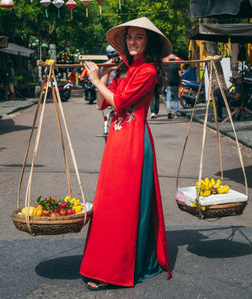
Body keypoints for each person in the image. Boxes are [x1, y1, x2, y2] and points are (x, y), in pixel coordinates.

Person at [80, 17, 172, 290]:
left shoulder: (148, 72)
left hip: (134, 142)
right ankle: (104, 263)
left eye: (139, 38)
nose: (133, 42)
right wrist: (105, 73)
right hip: (116, 141)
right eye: (130, 37)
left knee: (125, 206)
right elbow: (101, 105)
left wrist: (96, 79)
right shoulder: (125, 71)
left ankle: (118, 269)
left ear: (148, 43)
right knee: (108, 204)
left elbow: (119, 102)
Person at [165, 55, 181, 119]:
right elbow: (180, 75)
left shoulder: (167, 66)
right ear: (174, 59)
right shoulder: (177, 66)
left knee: (168, 99)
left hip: (169, 84)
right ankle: (175, 112)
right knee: (176, 99)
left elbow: (165, 75)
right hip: (175, 84)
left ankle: (169, 111)